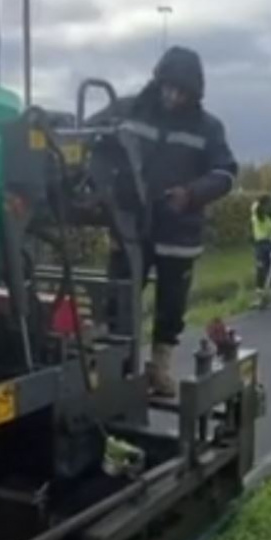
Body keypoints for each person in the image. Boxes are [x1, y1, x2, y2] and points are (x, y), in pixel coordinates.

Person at [96, 46, 238, 397]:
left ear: (195, 93)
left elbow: (225, 173)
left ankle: (159, 368)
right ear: (158, 82)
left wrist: (191, 195)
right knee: (120, 297)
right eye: (169, 87)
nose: (174, 97)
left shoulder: (208, 128)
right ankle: (119, 370)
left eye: (183, 92)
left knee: (171, 304)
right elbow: (90, 137)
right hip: (130, 226)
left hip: (179, 230)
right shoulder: (128, 110)